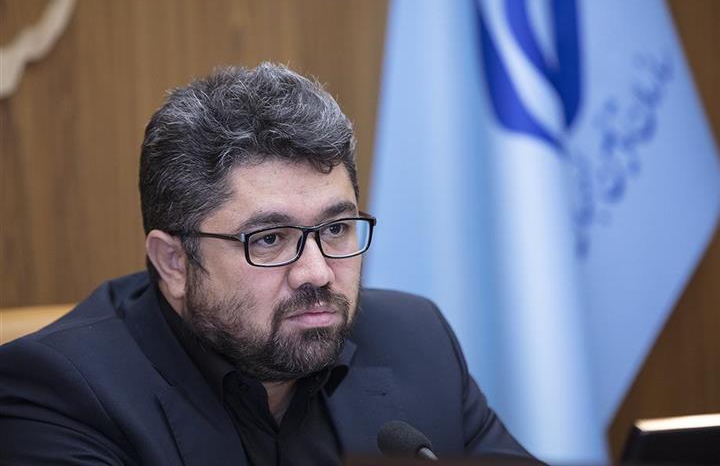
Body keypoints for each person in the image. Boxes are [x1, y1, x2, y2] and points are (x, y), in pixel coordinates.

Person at [0, 63, 534, 465]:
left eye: (335, 229)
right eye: (271, 239)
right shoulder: (59, 395)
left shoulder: (417, 340)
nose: (317, 273)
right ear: (174, 262)